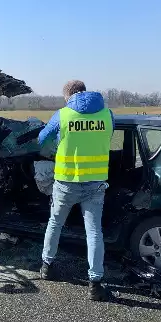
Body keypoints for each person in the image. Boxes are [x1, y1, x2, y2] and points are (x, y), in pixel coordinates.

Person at [37, 80, 115, 301]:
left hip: (65, 183)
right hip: (95, 184)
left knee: (55, 223)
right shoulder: (107, 115)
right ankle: (95, 284)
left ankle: (47, 267)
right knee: (94, 232)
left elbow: (42, 139)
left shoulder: (62, 115)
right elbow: (106, 137)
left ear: (68, 96)